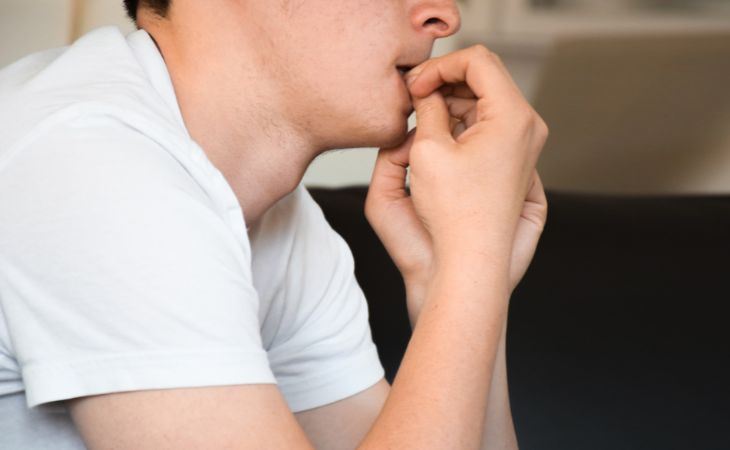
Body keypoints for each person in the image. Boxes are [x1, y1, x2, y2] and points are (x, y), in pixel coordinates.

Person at [0, 0, 548, 448]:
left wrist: (455, 276)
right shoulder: (89, 163)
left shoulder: (280, 221)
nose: (444, 16)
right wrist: (473, 248)